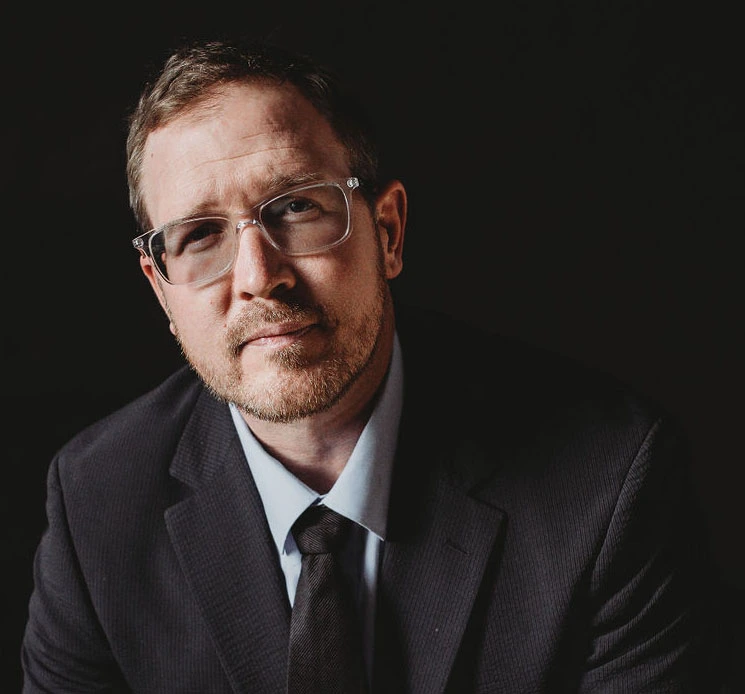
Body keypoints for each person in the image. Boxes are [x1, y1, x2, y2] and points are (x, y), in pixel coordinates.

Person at [21, 37, 728, 693]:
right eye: (200, 235)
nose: (259, 277)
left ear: (387, 232)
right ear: (162, 289)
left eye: (296, 207)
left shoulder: (607, 480)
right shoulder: (96, 505)